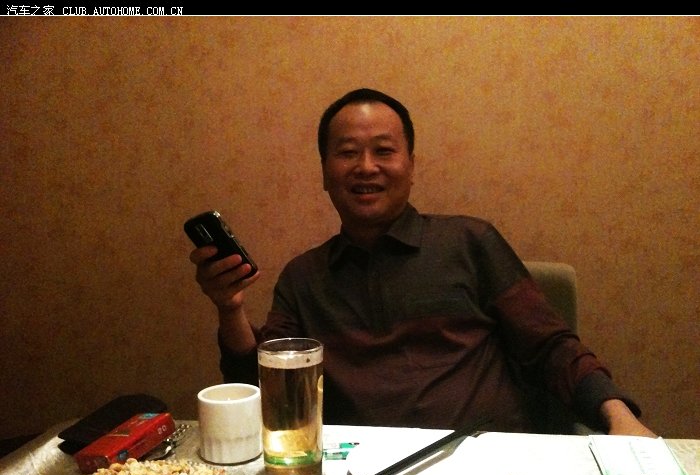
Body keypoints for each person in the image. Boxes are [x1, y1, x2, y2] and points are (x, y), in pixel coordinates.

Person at [189, 88, 656, 437]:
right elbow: (267, 389)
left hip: (489, 467)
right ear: (325, 173)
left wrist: (618, 415)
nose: (366, 167)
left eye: (384, 150)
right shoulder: (304, 276)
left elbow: (550, 346)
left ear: (411, 165)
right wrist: (230, 307)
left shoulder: (470, 241)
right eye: (347, 153)